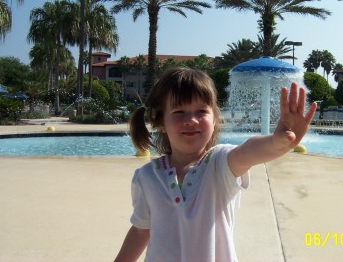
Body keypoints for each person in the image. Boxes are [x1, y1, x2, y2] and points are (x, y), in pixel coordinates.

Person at [114, 67, 317, 262]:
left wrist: (276, 142)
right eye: (179, 112)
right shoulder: (148, 176)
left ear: (214, 119)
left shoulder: (219, 164)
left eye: (201, 111)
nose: (191, 120)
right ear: (160, 122)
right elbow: (141, 230)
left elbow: (248, 151)